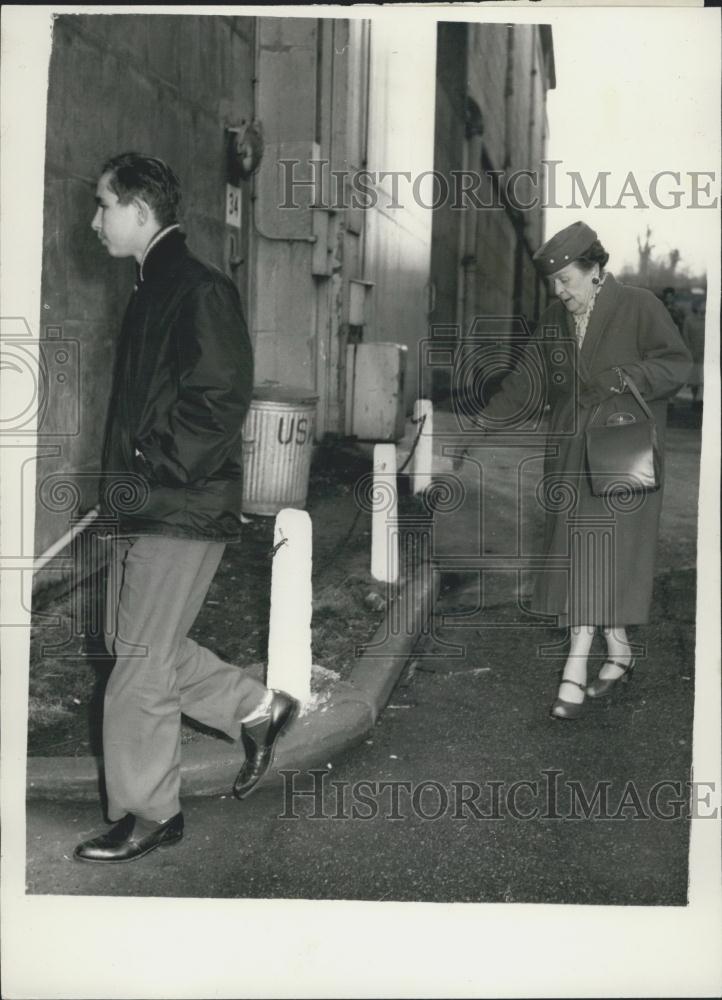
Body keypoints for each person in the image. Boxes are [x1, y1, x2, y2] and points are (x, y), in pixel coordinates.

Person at [74, 152, 298, 864]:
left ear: (139, 212)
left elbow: (220, 397)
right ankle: (258, 709)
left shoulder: (196, 288)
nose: (94, 219)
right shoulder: (153, 285)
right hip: (153, 504)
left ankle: (150, 812)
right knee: (130, 640)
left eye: (103, 205)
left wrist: (151, 466)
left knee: (138, 659)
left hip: (180, 505)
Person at [478, 221, 691, 720]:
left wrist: (629, 376)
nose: (559, 292)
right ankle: (619, 652)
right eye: (554, 283)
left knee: (597, 557)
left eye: (567, 280)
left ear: (596, 271)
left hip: (622, 455)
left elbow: (676, 363)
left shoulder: (639, 306)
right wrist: (482, 423)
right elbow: (526, 380)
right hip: (571, 461)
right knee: (585, 557)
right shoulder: (555, 319)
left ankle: (574, 668)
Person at [681, 298, 706, 407]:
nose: (704, 307)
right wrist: (689, 351)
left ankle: (701, 400)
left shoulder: (708, 319)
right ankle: (695, 399)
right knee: (694, 378)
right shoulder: (689, 320)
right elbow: (685, 336)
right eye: (702, 304)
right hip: (692, 353)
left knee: (703, 377)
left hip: (704, 353)